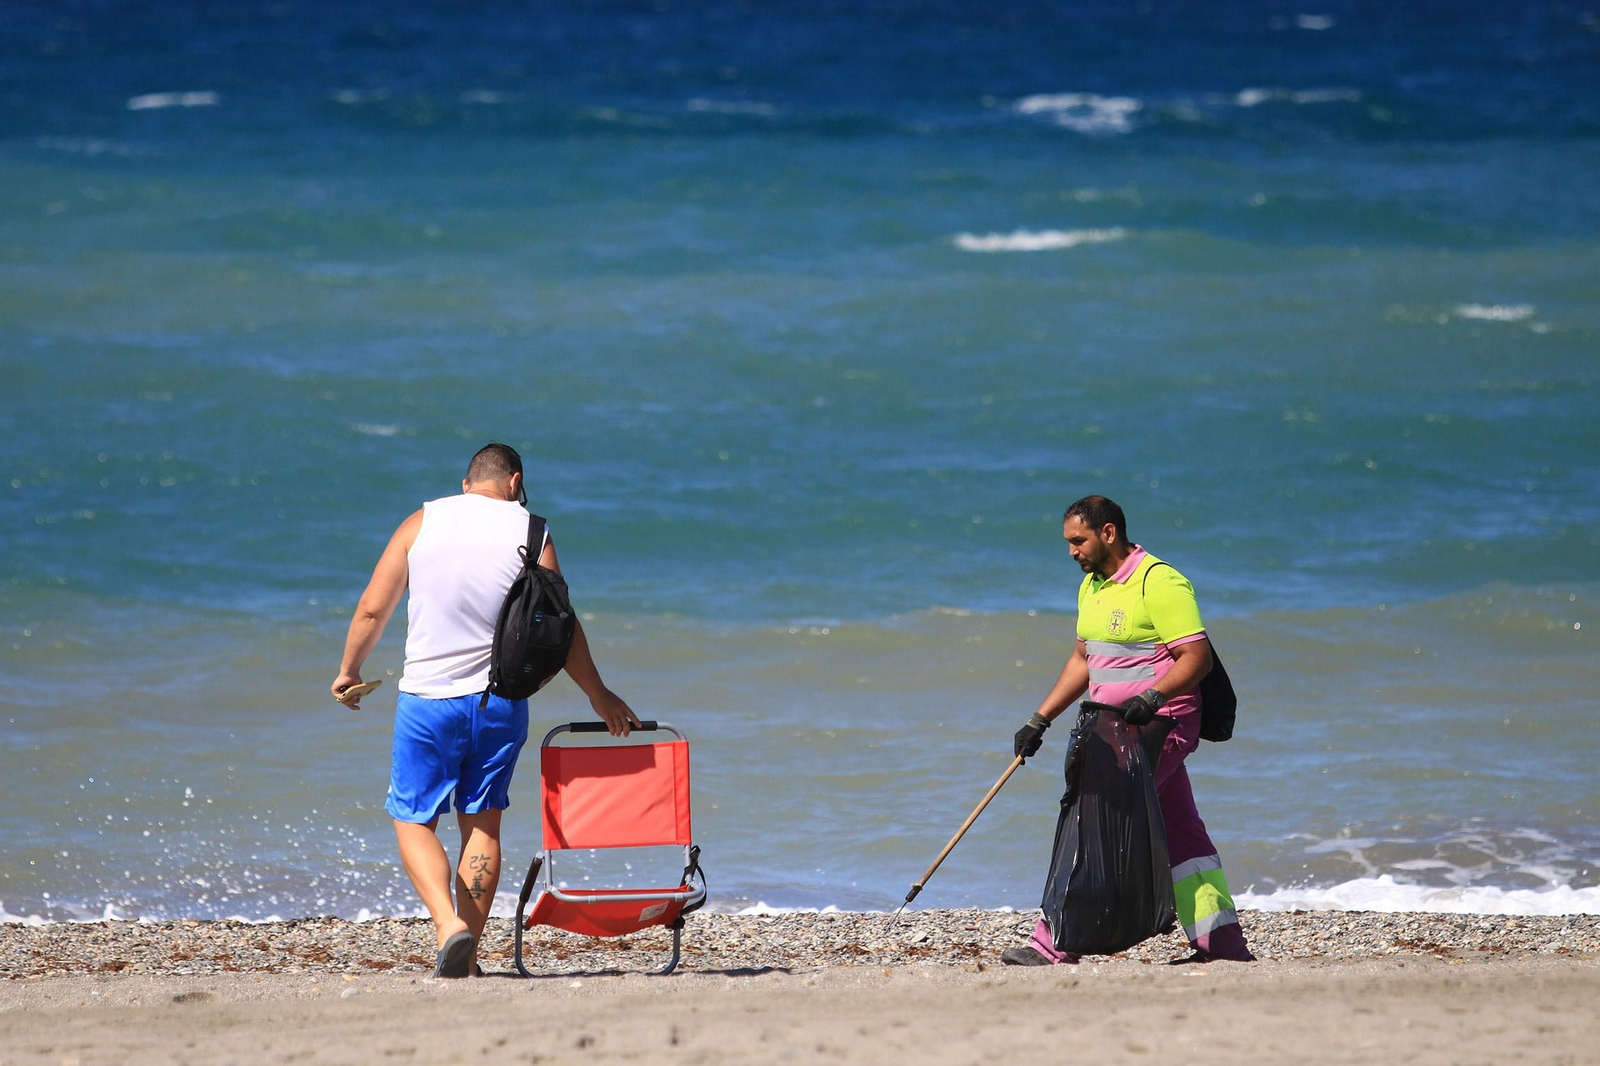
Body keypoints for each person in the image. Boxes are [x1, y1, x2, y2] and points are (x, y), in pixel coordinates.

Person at [331, 442, 640, 978]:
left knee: (413, 820)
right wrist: (599, 694)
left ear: (467, 483)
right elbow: (560, 624)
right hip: (500, 704)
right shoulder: (532, 531)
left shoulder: (422, 522)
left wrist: (349, 670)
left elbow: (373, 610)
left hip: (428, 702)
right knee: (482, 827)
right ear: (515, 482)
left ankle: (447, 925)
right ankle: (469, 956)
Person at [1003, 494, 1253, 966]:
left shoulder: (1160, 582)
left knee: (1094, 821)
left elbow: (1196, 658)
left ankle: (1055, 943)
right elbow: (1084, 659)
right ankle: (1221, 944)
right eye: (1068, 542)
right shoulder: (1092, 587)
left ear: (1108, 533)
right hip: (1110, 729)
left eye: (1079, 540)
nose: (1072, 551)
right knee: (1182, 832)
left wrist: (1153, 697)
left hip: (1161, 725)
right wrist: (1040, 719)